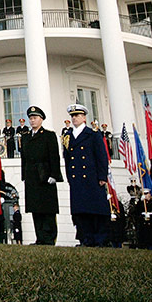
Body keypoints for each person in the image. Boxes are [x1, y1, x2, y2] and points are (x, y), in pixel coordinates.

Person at [63, 104, 110, 247]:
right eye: (73, 116)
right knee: (80, 211)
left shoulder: (93, 134)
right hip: (77, 179)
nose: (74, 118)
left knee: (95, 210)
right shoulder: (68, 136)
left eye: (77, 115)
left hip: (92, 178)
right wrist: (70, 177)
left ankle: (99, 239)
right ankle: (85, 239)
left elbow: (101, 156)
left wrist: (102, 177)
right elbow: (67, 159)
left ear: (84, 117)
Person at [20, 106, 63, 245]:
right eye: (31, 118)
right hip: (32, 176)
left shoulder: (49, 135)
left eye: (35, 118)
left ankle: (49, 238)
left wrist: (54, 174)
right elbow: (24, 158)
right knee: (35, 209)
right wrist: (24, 176)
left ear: (41, 119)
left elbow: (54, 156)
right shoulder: (26, 137)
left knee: (47, 209)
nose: (32, 121)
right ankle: (39, 238)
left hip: (45, 175)